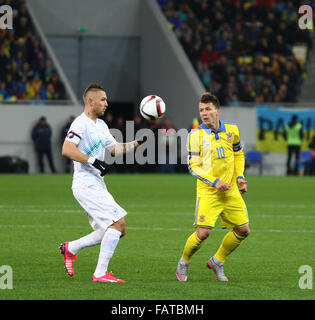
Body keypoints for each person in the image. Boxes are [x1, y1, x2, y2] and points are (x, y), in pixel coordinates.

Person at [59, 83, 146, 283]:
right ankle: (100, 274)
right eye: (103, 99)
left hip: (97, 183)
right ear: (90, 101)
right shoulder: (80, 123)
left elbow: (115, 149)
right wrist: (93, 161)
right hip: (85, 183)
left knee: (116, 229)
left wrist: (137, 143)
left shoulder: (102, 125)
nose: (107, 103)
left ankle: (71, 248)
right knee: (118, 223)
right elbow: (67, 149)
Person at [176, 92, 249, 282]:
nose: (204, 113)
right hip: (209, 192)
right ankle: (184, 262)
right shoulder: (195, 135)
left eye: (208, 109)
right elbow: (193, 167)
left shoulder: (232, 130)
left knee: (243, 230)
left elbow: (239, 154)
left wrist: (240, 177)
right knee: (203, 233)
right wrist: (215, 182)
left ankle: (218, 261)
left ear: (217, 110)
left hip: (231, 190)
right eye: (201, 110)